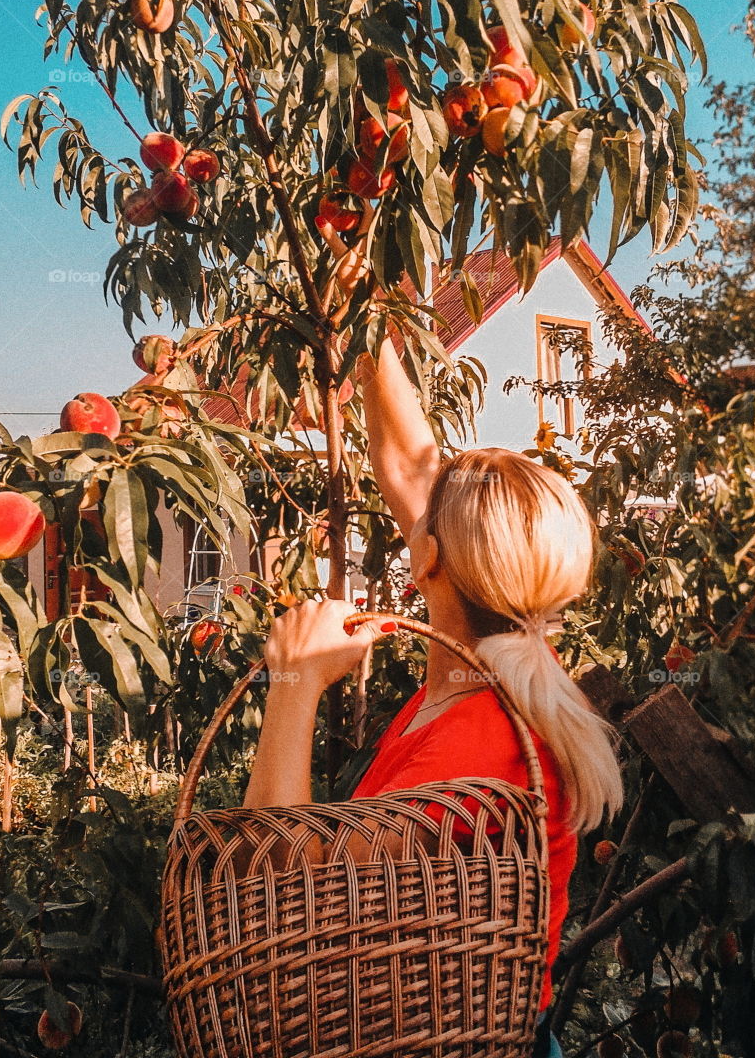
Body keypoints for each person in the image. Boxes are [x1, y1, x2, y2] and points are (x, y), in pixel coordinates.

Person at [243, 207, 623, 1057]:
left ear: (425, 562)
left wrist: (293, 684)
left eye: (424, 521)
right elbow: (414, 463)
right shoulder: (506, 672)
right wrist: (371, 322)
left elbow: (281, 898)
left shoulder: (481, 751)